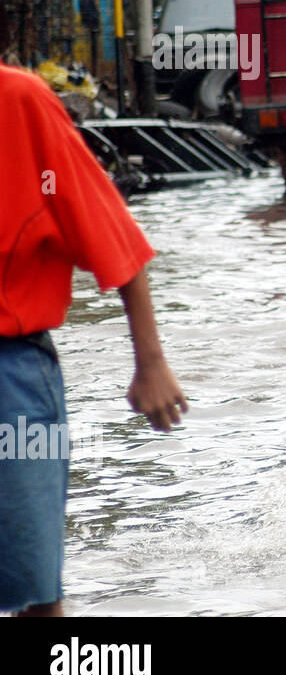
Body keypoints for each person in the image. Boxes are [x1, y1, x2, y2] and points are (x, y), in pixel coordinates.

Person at [0, 62, 188, 617]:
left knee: (36, 589)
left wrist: (150, 363)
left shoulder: (20, 102)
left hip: (11, 377)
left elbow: (109, 229)